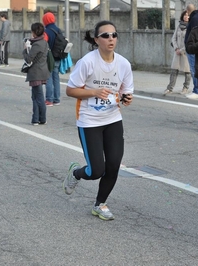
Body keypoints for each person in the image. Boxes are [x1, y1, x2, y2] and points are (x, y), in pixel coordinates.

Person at [64, 20, 134, 221]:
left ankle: (100, 204)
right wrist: (94, 91)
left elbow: (126, 92)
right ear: (96, 40)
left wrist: (126, 98)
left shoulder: (123, 64)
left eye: (114, 35)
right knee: (96, 171)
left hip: (112, 119)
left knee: (113, 165)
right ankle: (76, 174)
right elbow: (70, 90)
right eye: (105, 35)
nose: (111, 38)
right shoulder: (87, 62)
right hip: (89, 121)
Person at [22, 23, 50, 126]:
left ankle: (40, 119)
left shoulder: (37, 44)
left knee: (37, 96)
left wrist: (25, 49)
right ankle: (37, 118)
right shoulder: (44, 42)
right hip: (42, 71)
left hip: (36, 72)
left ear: (34, 32)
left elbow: (29, 59)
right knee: (36, 96)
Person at [164, 10, 191, 95]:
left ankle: (185, 88)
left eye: (188, 15)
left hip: (186, 53)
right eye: (185, 15)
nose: (186, 17)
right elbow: (173, 38)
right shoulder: (178, 26)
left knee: (187, 72)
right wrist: (176, 48)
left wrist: (182, 50)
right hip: (177, 52)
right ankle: (170, 88)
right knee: (174, 70)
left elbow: (190, 41)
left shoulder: (191, 27)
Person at [43, 12, 62, 106]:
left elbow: (44, 44)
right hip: (58, 57)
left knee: (48, 78)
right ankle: (56, 99)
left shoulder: (46, 31)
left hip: (49, 58)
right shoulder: (59, 30)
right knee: (56, 78)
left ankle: (49, 100)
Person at [184, 3, 198, 99]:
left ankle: (197, 91)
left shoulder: (194, 19)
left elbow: (194, 35)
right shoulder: (196, 18)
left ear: (187, 11)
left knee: (194, 70)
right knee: (194, 69)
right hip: (193, 48)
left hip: (192, 49)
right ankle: (197, 90)